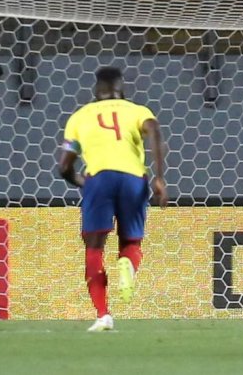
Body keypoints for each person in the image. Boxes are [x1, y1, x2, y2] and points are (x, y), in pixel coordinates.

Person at [57, 66, 169, 333]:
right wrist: (159, 177)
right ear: (122, 88)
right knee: (131, 241)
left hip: (99, 179)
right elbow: (154, 130)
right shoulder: (137, 111)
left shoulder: (79, 117)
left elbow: (64, 167)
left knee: (94, 247)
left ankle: (103, 315)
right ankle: (127, 264)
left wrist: (84, 183)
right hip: (133, 179)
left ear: (96, 89)